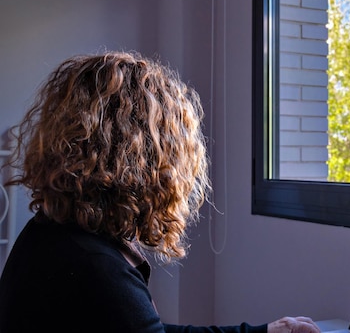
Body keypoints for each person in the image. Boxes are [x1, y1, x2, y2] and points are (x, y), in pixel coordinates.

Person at [0, 51, 322, 333]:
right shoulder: (95, 267)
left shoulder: (57, 233)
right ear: (148, 157)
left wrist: (265, 331)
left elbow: (140, 326)